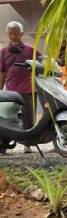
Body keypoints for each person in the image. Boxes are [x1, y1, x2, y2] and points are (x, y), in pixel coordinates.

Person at [0, 21, 40, 154]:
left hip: (27, 90)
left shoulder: (31, 50)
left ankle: (27, 146)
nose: (13, 36)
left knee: (29, 118)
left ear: (21, 34)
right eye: (10, 33)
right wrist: (1, 91)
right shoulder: (4, 52)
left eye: (16, 33)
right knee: (6, 119)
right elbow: (2, 72)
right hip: (10, 93)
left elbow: (41, 65)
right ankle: (3, 146)